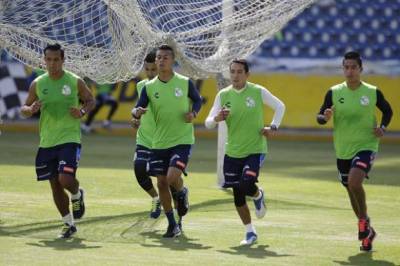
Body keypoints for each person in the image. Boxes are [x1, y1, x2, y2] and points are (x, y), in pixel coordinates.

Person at [317, 51, 393, 252]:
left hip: (366, 145)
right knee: (350, 189)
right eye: (346, 67)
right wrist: (325, 117)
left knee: (354, 181)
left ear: (361, 69)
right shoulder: (333, 92)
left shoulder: (372, 92)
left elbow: (388, 110)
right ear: (343, 69)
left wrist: (383, 128)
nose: (349, 71)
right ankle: (367, 231)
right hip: (343, 149)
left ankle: (363, 222)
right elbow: (320, 117)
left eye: (353, 67)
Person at [205, 59, 285, 245]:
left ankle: (257, 195)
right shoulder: (223, 95)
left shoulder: (257, 91)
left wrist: (273, 126)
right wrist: (216, 119)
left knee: (246, 183)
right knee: (238, 193)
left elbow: (280, 106)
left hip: (255, 149)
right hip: (232, 151)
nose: (235, 75)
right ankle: (250, 232)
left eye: (240, 72)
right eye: (232, 71)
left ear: (247, 74)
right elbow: (208, 122)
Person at [21, 43, 95, 238]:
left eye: (56, 60)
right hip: (46, 141)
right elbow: (24, 109)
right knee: (55, 185)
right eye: (49, 60)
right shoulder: (38, 83)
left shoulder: (74, 81)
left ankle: (77, 194)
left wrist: (81, 111)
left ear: (63, 60)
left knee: (65, 179)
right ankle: (68, 224)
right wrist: (30, 110)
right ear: (44, 60)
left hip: (69, 138)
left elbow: (90, 100)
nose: (52, 64)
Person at [132, 44, 202, 238]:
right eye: (159, 58)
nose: (161, 60)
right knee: (162, 183)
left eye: (165, 57)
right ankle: (172, 224)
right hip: (159, 142)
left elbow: (198, 100)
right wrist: (136, 112)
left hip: (182, 139)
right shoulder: (148, 87)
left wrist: (194, 113)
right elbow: (138, 107)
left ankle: (182, 190)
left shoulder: (184, 82)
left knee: (171, 178)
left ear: (173, 60)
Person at [132, 51, 162, 219]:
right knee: (139, 170)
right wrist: (135, 119)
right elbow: (138, 109)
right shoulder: (140, 86)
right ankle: (156, 198)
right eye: (147, 69)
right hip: (144, 137)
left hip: (164, 139)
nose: (150, 73)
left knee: (164, 178)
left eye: (153, 69)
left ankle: (180, 193)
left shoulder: (170, 85)